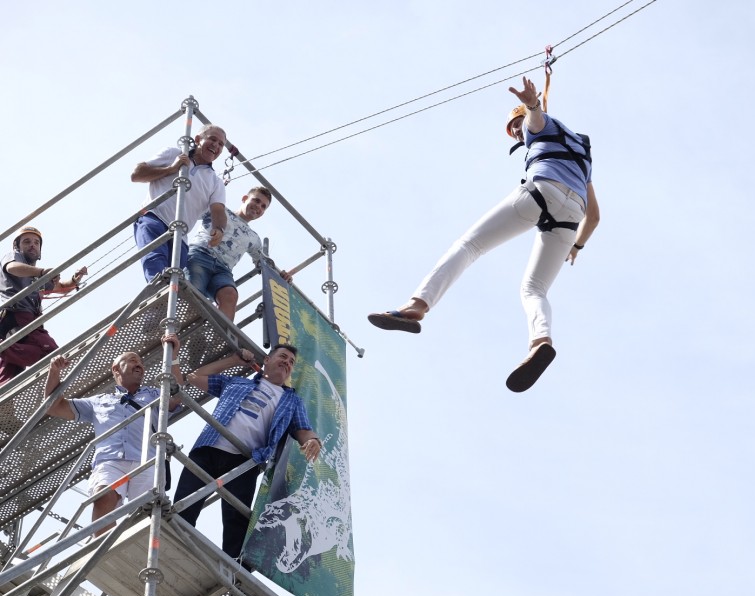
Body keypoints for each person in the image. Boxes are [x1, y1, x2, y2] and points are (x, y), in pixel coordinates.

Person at [368, 76, 601, 392]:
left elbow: (535, 117)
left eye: (515, 126)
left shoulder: (539, 126)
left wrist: (531, 105)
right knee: (534, 290)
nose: (517, 132)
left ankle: (417, 306)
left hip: (541, 191)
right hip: (572, 214)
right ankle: (540, 340)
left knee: (469, 245)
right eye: (512, 131)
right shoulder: (581, 153)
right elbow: (595, 215)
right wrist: (577, 245)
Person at [174, 344, 321, 560]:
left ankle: (236, 575)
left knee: (236, 521)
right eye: (283, 357)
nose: (287, 363)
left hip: (245, 461)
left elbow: (303, 430)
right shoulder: (236, 382)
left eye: (291, 362)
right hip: (208, 449)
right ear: (267, 360)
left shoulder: (291, 400)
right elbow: (194, 377)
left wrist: (314, 441)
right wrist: (234, 361)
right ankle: (174, 548)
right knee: (184, 505)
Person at [44, 335, 184, 535]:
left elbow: (176, 397)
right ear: (116, 369)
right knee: (103, 499)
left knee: (145, 518)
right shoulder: (99, 401)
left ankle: (139, 556)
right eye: (133, 360)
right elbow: (53, 407)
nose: (140, 365)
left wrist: (174, 356)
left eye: (141, 363)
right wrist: (54, 371)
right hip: (110, 460)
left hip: (146, 460)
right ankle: (102, 550)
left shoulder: (154, 394)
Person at [131, 124, 230, 282]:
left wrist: (219, 228)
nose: (216, 146)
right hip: (154, 218)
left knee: (175, 279)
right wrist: (171, 169)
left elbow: (218, 210)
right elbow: (137, 174)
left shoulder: (215, 182)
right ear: (198, 139)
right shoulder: (173, 154)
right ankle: (159, 301)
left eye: (221, 145)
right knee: (156, 266)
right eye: (212, 139)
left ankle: (165, 303)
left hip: (181, 235)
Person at [186, 186, 293, 321]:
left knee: (230, 295)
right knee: (193, 292)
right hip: (201, 255)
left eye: (263, 206)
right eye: (256, 200)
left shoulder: (254, 238)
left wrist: (280, 276)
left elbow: (263, 264)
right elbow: (190, 209)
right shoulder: (218, 209)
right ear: (244, 199)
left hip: (223, 269)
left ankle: (220, 336)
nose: (258, 206)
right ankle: (182, 327)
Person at [0, 227, 87, 384]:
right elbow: (12, 268)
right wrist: (41, 272)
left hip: (20, 323)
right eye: (26, 242)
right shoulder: (14, 257)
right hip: (17, 316)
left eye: (36, 242)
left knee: (10, 373)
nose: (32, 245)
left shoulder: (36, 276)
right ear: (17, 246)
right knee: (52, 355)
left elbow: (59, 287)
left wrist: (74, 280)